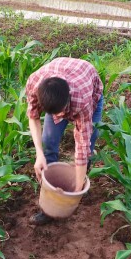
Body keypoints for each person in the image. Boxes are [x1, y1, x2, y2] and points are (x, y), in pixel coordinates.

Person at [25, 57, 104, 225]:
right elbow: (33, 117)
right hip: (62, 82)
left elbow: (81, 145)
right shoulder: (34, 83)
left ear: (67, 99)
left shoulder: (82, 99)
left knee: (90, 140)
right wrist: (39, 154)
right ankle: (48, 204)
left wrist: (76, 190)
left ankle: (81, 176)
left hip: (90, 91)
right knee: (48, 141)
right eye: (53, 114)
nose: (59, 117)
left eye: (61, 113)